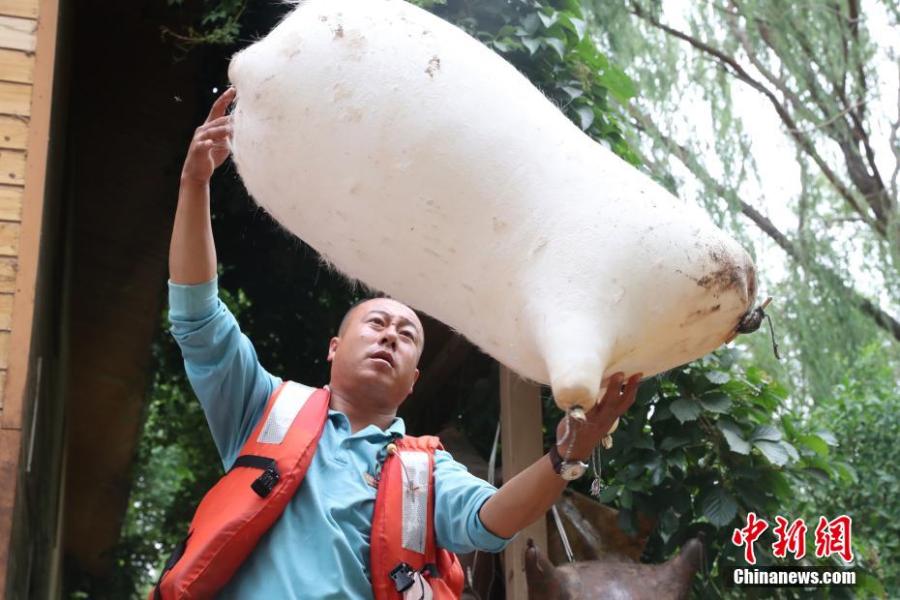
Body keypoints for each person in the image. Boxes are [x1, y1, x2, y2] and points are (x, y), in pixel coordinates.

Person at [167, 88, 641, 599]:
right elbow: (198, 318)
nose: (390, 334)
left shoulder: (426, 472)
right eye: (376, 323)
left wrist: (567, 454)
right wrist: (195, 183)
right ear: (333, 347)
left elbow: (490, 519)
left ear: (413, 380)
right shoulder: (262, 408)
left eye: (407, 334)